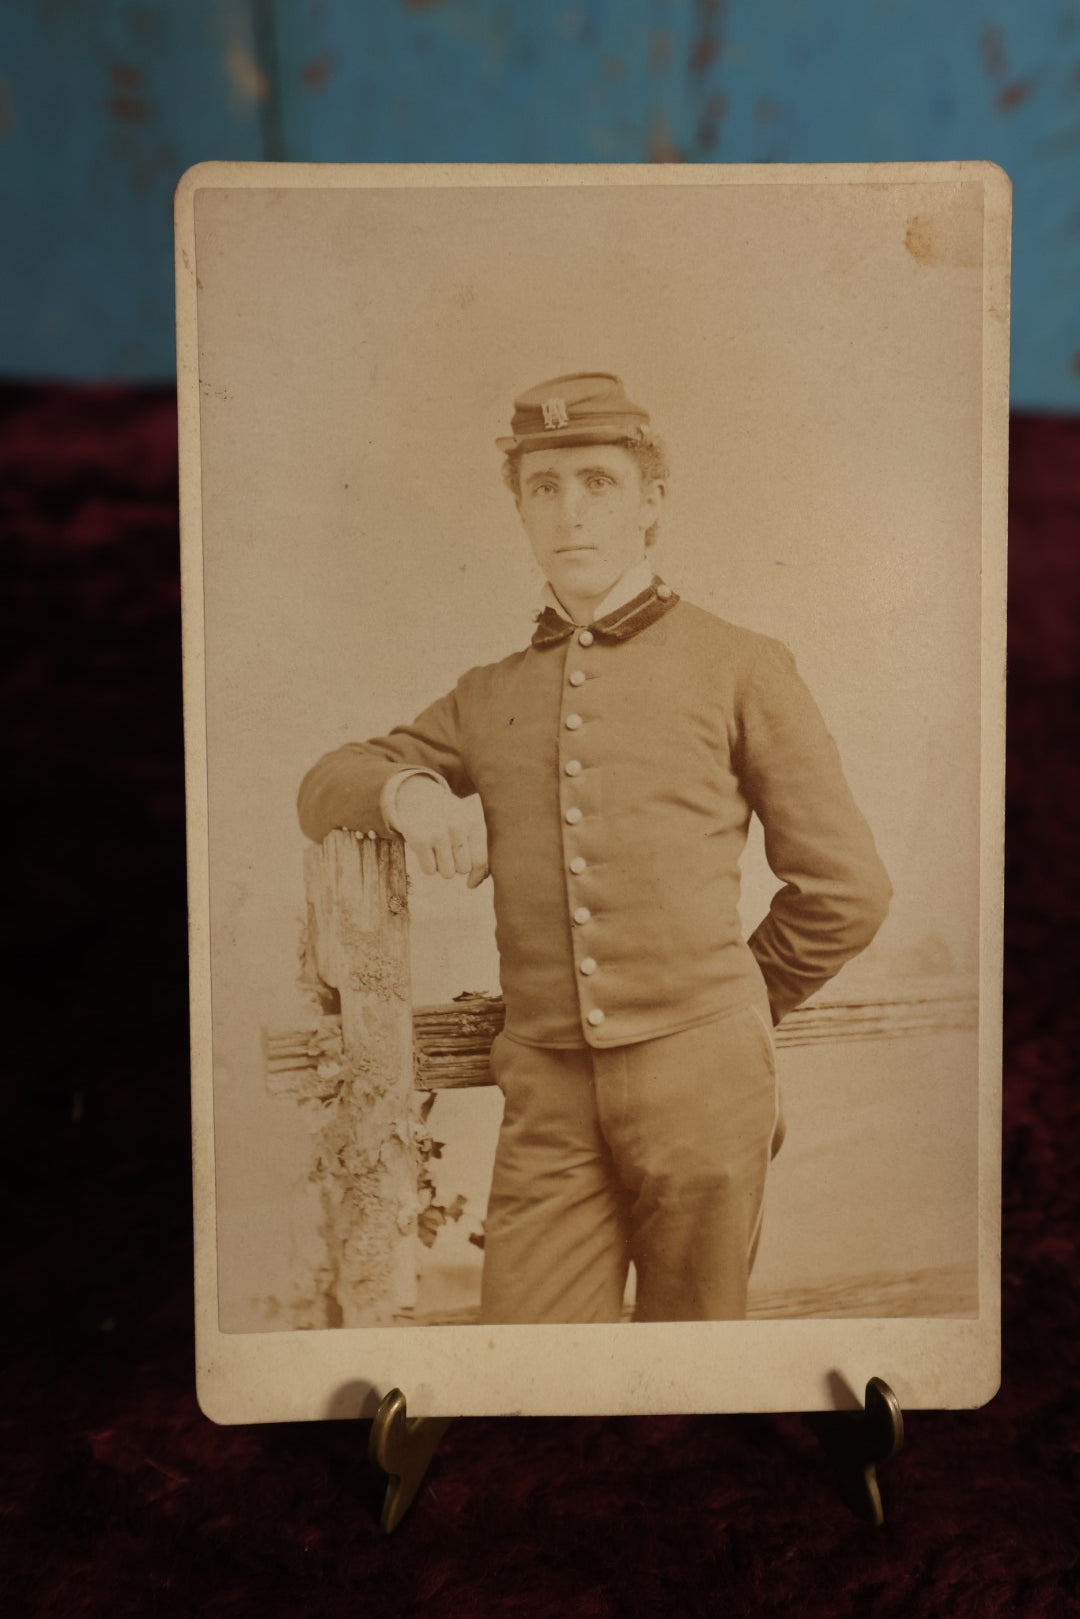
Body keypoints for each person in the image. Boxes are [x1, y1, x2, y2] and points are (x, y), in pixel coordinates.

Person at [297, 372, 892, 1325]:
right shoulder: (488, 694)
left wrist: (727, 1009)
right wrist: (408, 793)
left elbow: (849, 889)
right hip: (545, 1094)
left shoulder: (742, 665)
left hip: (706, 1082)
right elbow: (327, 781)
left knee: (696, 1374)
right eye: (544, 487)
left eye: (599, 482)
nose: (570, 511)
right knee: (525, 1361)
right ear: (521, 509)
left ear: (652, 500)